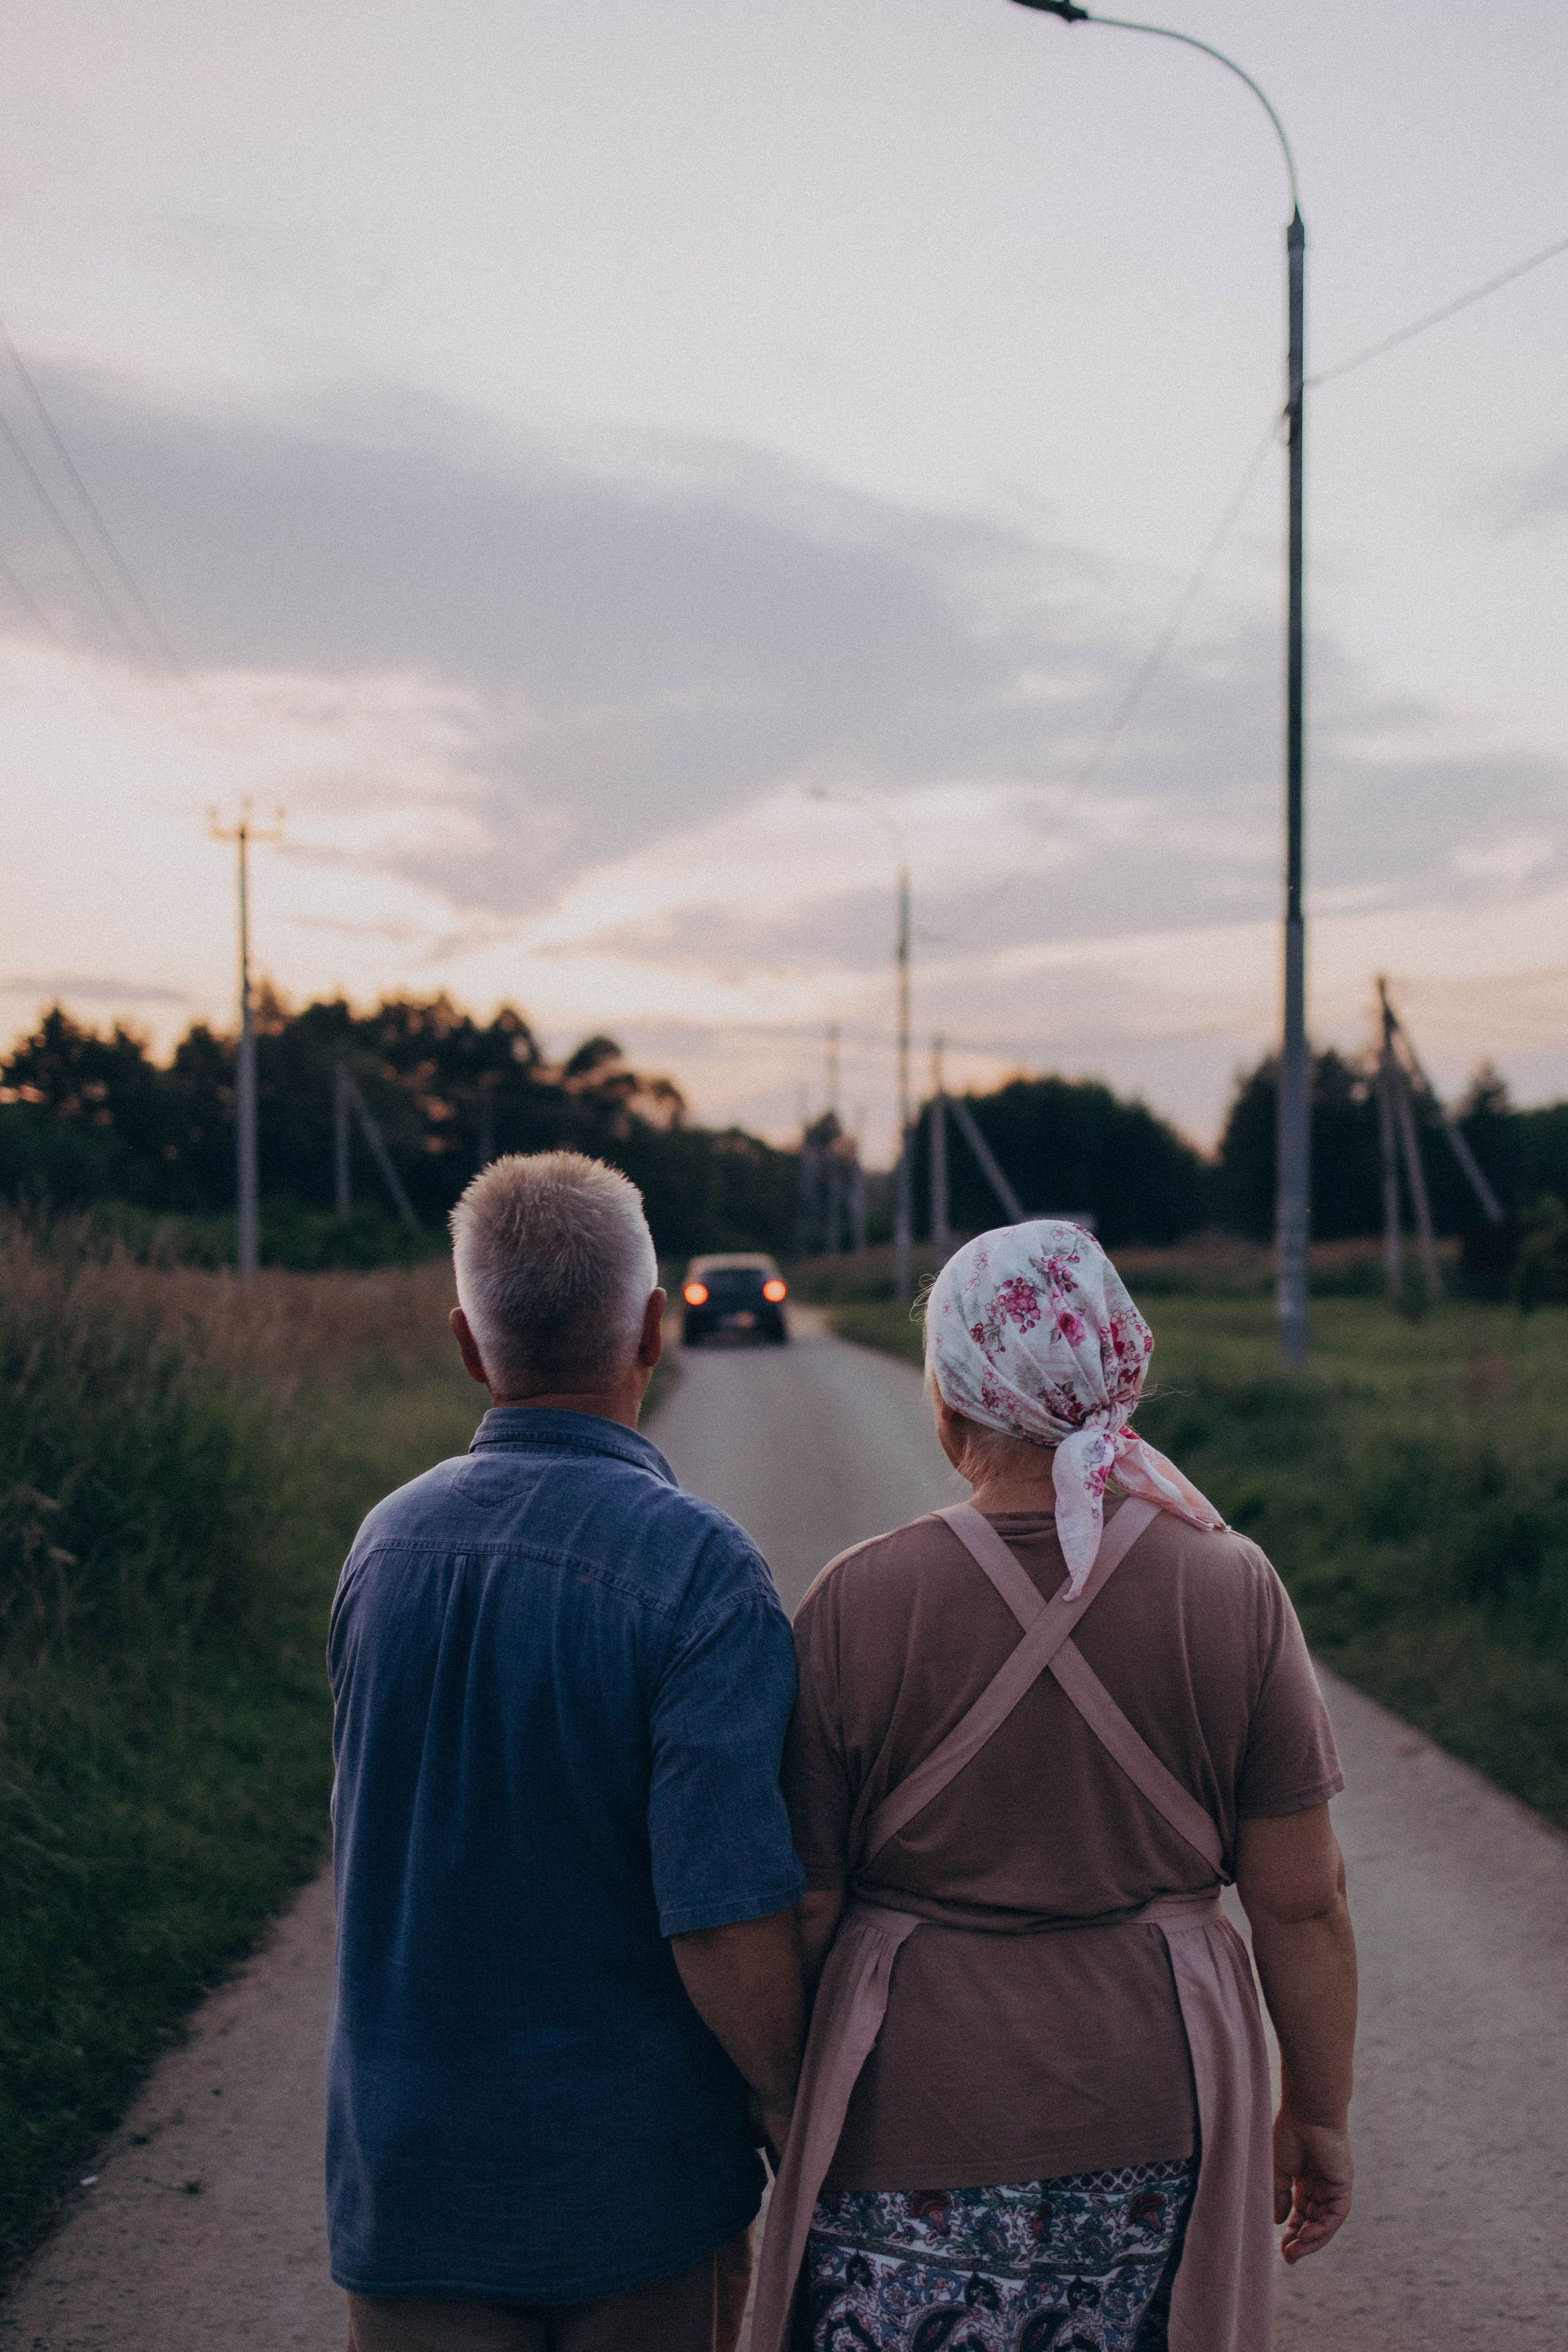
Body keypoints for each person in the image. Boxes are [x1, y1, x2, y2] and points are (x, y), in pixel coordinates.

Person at [752, 1221, 1357, 2352]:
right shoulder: (1232, 1585)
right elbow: (1302, 1901)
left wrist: (783, 2095)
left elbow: (806, 1904)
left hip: (906, 2113)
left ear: (956, 1396)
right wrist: (1316, 2112)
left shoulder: (855, 1602)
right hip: (1152, 2105)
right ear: (1115, 1368)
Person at [326, 1152, 807, 2352]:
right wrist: (788, 2096)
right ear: (653, 1329)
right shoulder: (701, 1573)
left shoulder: (380, 1551)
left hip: (409, 2182)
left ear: (467, 1345)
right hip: (632, 2196)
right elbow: (720, 1916)